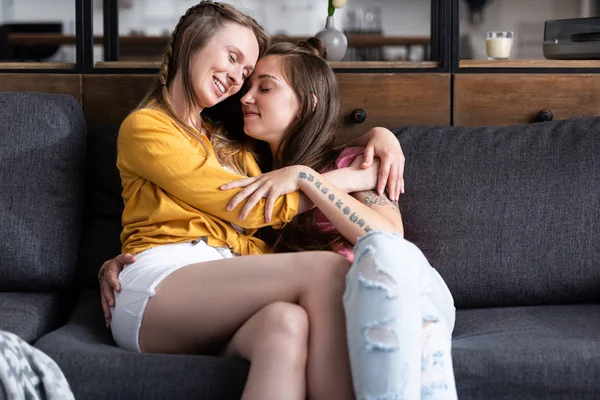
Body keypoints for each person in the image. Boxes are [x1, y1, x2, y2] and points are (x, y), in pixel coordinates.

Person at [101, 25, 456, 400]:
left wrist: (320, 172)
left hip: (380, 293)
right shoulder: (252, 163)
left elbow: (388, 241)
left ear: (309, 102)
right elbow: (211, 212)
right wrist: (122, 258)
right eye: (245, 82)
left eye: (263, 87)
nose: (245, 95)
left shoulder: (354, 162)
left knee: (316, 288)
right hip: (287, 301)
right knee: (287, 322)